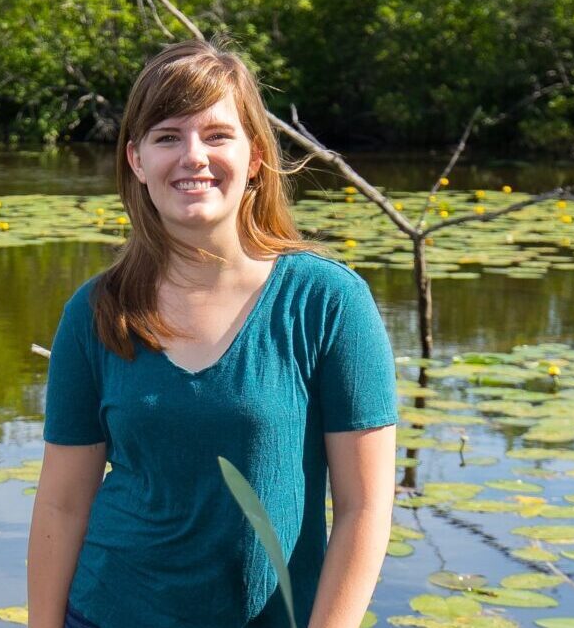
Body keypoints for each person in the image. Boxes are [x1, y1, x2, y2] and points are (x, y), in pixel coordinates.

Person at [27, 38, 399, 628]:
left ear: (254, 157)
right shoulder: (95, 312)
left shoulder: (328, 303)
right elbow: (62, 504)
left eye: (217, 135)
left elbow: (365, 507)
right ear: (137, 160)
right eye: (167, 137)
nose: (193, 156)